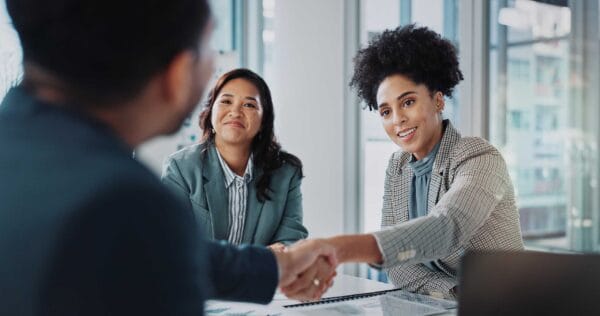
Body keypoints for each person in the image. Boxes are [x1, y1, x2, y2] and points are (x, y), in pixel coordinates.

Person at [0, 0, 335, 315]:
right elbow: (162, 252)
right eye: (209, 48)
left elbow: (178, 256)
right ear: (179, 74)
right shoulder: (130, 202)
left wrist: (277, 266)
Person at [310, 24, 524, 299]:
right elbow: (400, 268)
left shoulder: (478, 157)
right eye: (386, 111)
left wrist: (338, 247)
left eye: (408, 102)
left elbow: (446, 227)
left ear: (438, 101)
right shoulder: (397, 167)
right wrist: (451, 293)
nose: (397, 119)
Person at [162, 68, 307, 250]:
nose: (235, 112)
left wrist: (280, 253)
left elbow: (291, 239)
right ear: (210, 112)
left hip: (261, 277)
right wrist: (254, 260)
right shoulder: (181, 168)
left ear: (264, 121)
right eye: (226, 101)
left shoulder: (286, 172)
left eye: (249, 105)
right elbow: (175, 242)